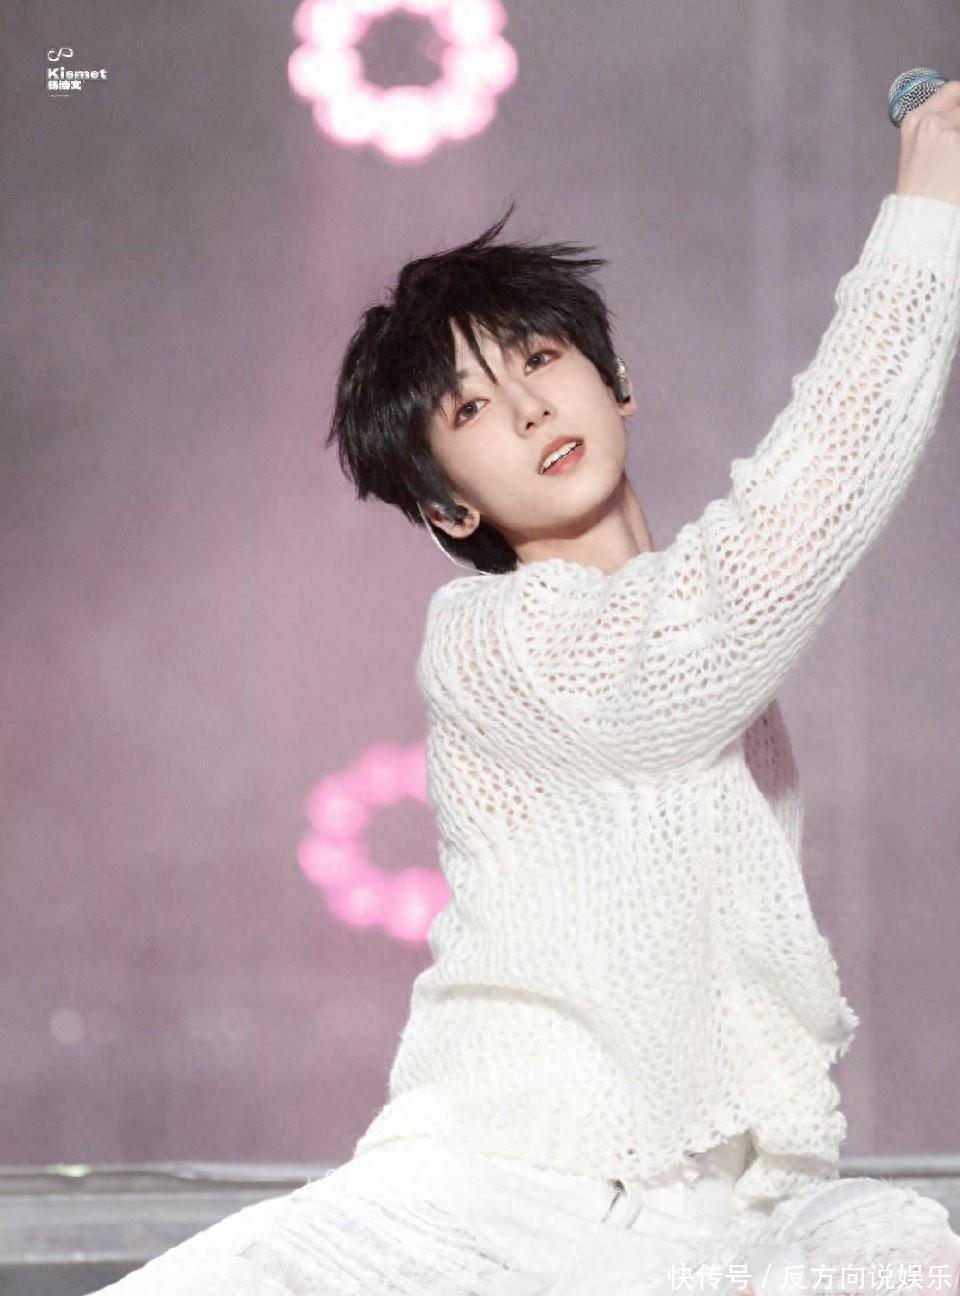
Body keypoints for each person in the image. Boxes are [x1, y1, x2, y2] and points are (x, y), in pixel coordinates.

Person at [93, 80, 960, 1296]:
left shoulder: (686, 643)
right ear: (448, 507)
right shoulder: (496, 642)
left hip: (703, 1220)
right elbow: (796, 518)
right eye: (471, 408)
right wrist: (929, 210)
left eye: (542, 359)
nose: (531, 404)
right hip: (493, 1202)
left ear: (617, 380)